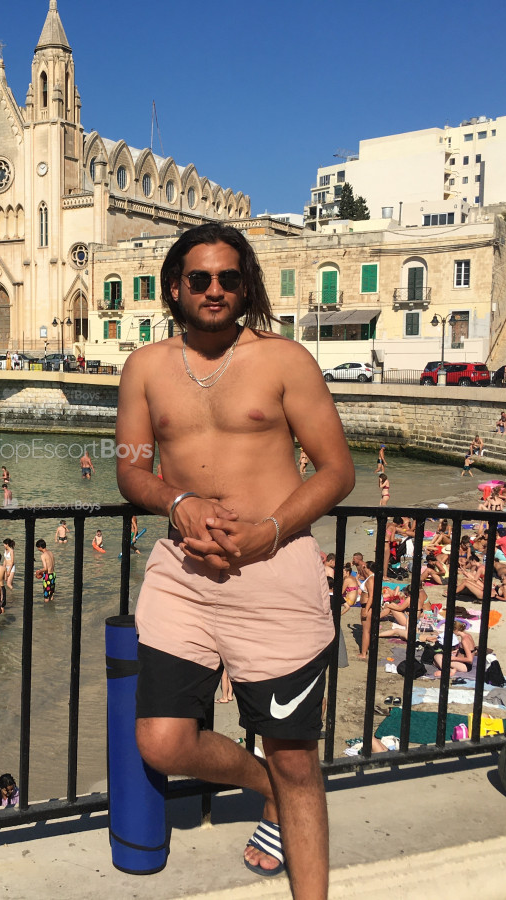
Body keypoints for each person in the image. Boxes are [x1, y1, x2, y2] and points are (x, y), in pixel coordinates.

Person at [115, 222, 354, 889]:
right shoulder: (145, 369)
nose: (214, 289)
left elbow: (337, 470)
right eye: (200, 278)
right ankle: (263, 786)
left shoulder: (285, 361)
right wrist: (177, 502)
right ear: (175, 287)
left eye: (229, 277)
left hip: (274, 572)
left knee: (297, 759)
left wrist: (269, 532)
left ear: (246, 286)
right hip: (183, 576)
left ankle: (289, 809)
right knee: (163, 741)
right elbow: (131, 469)